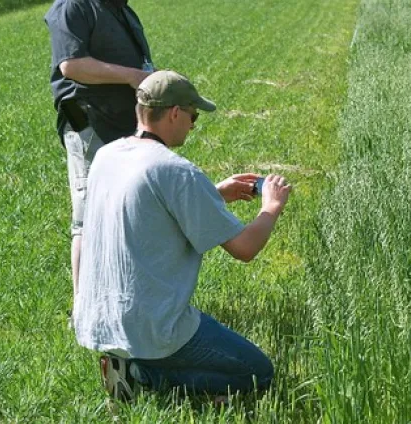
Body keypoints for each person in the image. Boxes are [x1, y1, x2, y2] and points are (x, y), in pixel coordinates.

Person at [73, 70, 292, 401]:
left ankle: (127, 363)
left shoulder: (107, 155)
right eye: (194, 116)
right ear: (175, 112)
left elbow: (145, 209)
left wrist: (215, 194)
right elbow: (245, 248)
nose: (193, 124)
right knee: (258, 373)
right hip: (152, 326)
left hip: (100, 320)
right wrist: (271, 206)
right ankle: (143, 374)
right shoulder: (175, 170)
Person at [44, 0, 154, 305]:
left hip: (124, 122)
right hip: (89, 122)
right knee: (89, 215)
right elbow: (72, 65)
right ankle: (84, 309)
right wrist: (132, 75)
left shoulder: (121, 9)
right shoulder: (73, 6)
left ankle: (124, 296)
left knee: (127, 208)